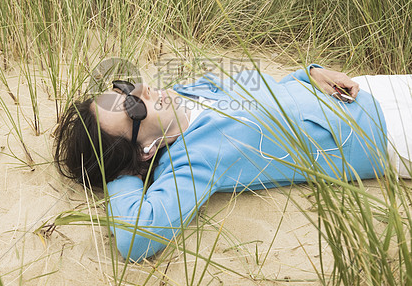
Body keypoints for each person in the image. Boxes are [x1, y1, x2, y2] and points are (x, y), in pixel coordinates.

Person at [54, 64, 412, 261]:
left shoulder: (193, 90)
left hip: (369, 89)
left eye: (124, 89)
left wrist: (309, 74)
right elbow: (134, 240)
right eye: (131, 107)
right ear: (144, 150)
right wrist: (120, 171)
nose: (140, 91)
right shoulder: (192, 161)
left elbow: (266, 89)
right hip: (387, 134)